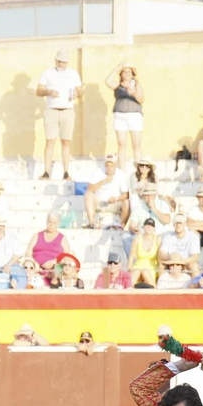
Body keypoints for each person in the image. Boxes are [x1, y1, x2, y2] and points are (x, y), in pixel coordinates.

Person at [36, 49, 83, 181]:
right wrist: (48, 91)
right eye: (58, 61)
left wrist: (76, 94)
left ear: (66, 62)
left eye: (62, 61)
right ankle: (46, 171)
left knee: (66, 141)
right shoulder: (47, 73)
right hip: (51, 110)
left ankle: (66, 172)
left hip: (67, 110)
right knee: (50, 141)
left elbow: (80, 90)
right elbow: (39, 90)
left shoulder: (73, 74)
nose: (60, 63)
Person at [105, 63, 145, 168]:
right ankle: (122, 169)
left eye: (129, 72)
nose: (126, 74)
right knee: (121, 144)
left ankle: (138, 169)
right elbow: (107, 81)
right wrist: (117, 68)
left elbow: (142, 99)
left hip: (134, 115)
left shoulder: (136, 85)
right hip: (120, 116)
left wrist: (134, 94)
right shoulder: (118, 85)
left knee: (136, 145)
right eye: (124, 72)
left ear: (132, 75)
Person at [84, 155, 131, 228]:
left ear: (115, 165)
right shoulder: (98, 171)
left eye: (111, 166)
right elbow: (90, 188)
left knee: (126, 202)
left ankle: (121, 226)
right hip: (99, 202)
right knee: (88, 194)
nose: (109, 168)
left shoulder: (121, 174)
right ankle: (91, 223)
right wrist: (103, 181)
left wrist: (116, 198)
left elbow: (126, 194)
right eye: (107, 165)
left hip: (114, 203)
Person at [29, 211, 69, 278]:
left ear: (58, 223)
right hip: (36, 269)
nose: (51, 225)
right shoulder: (37, 235)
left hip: (54, 271)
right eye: (49, 222)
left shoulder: (63, 238)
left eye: (54, 223)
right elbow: (28, 253)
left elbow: (67, 257)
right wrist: (34, 264)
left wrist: (53, 262)